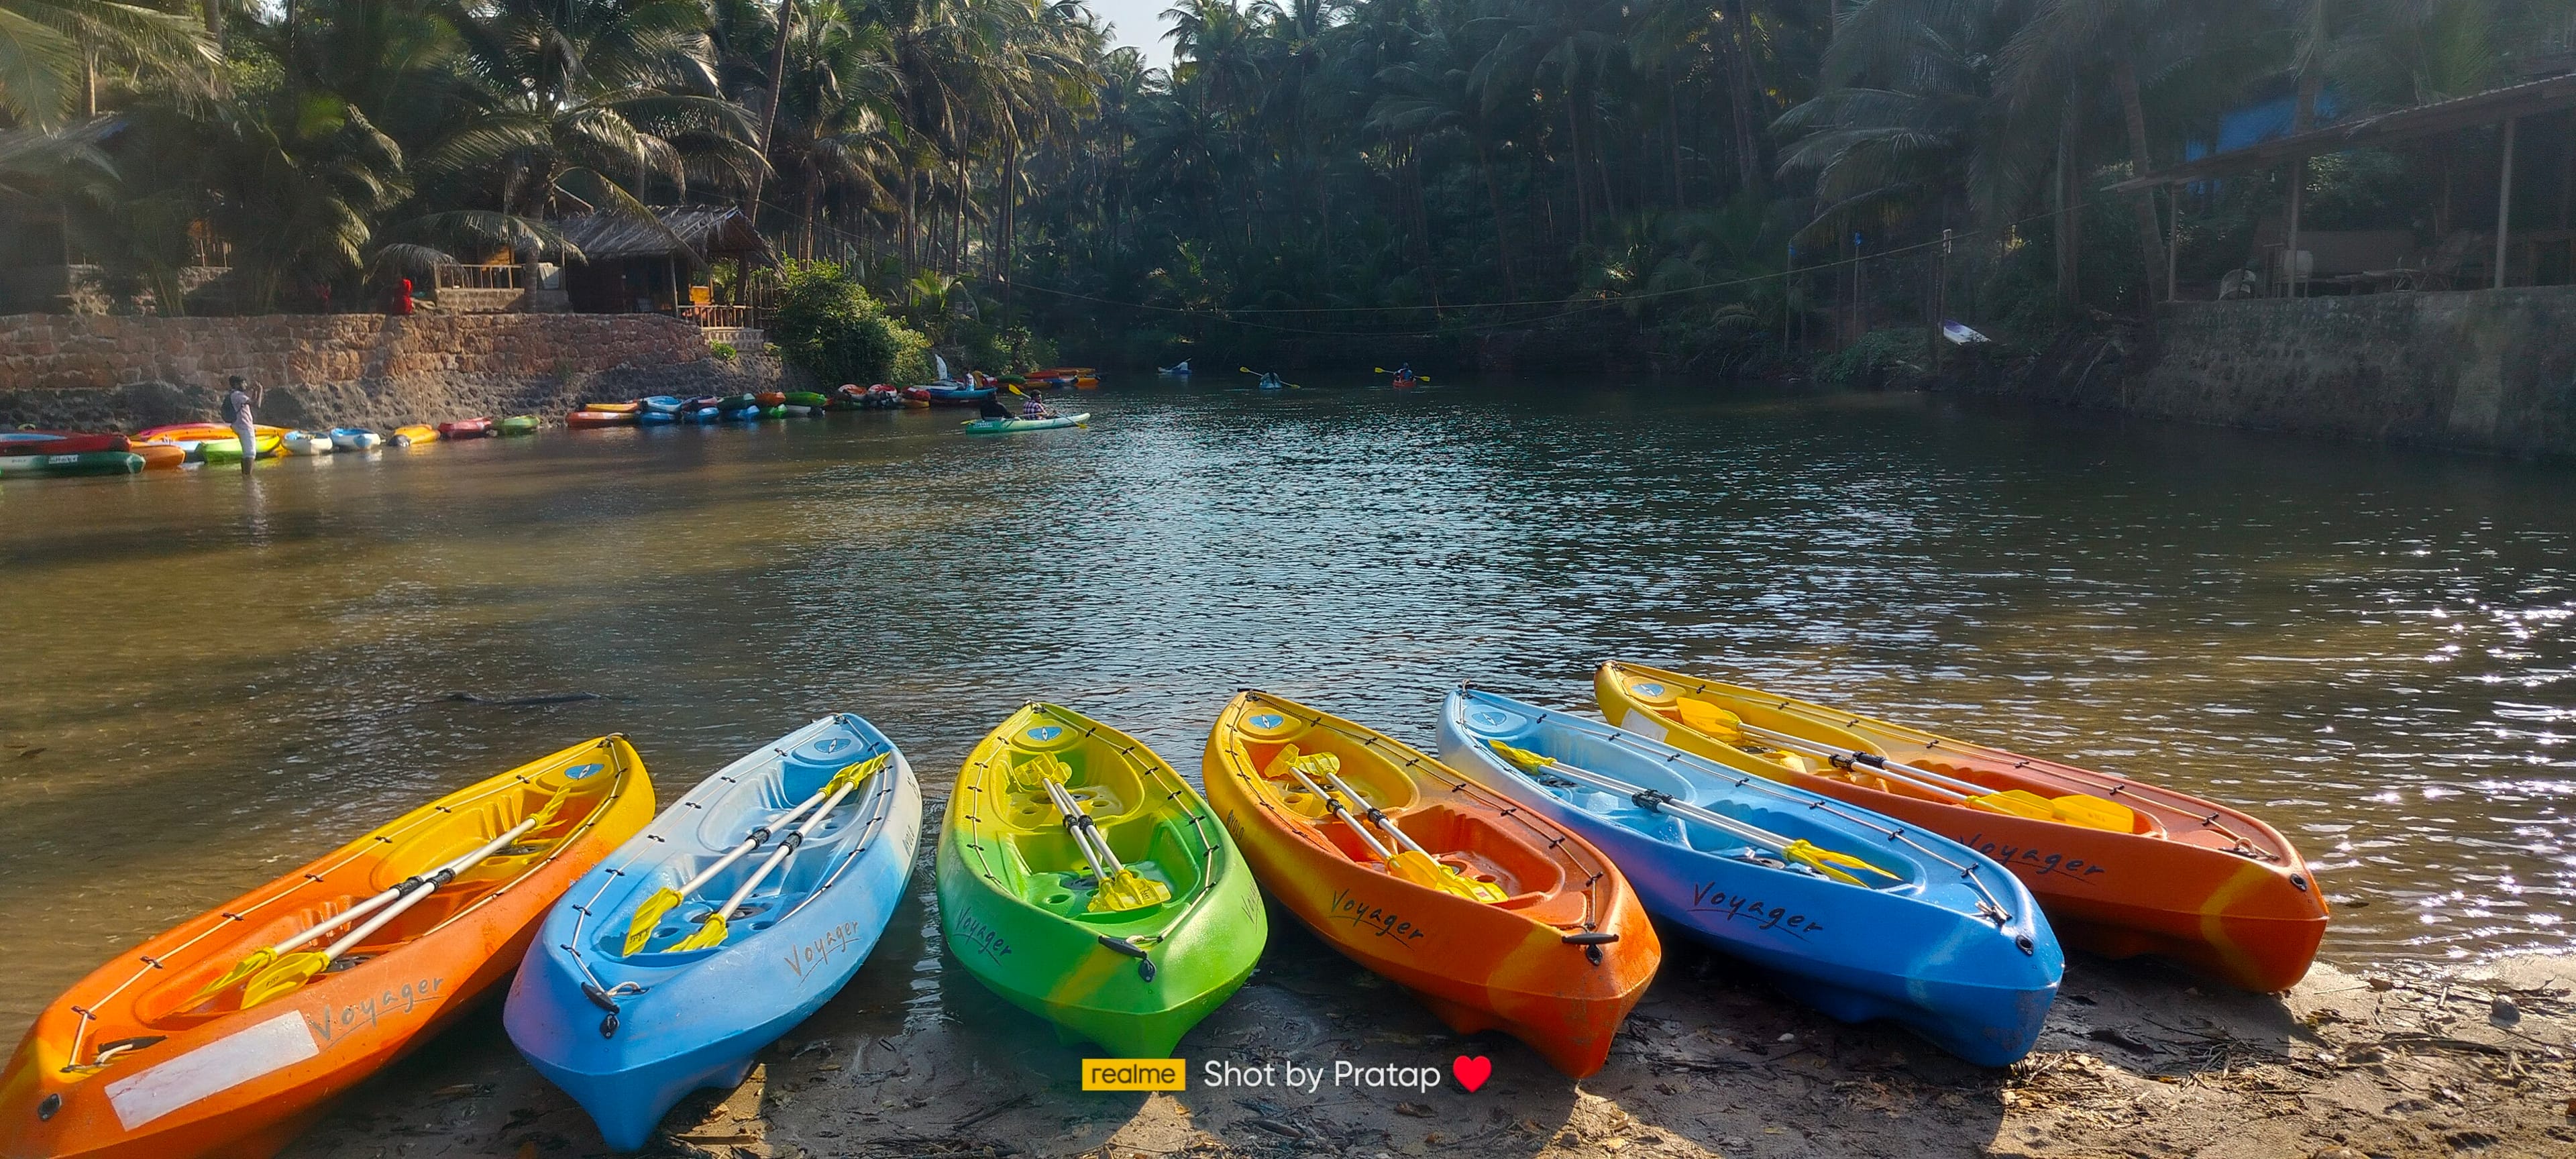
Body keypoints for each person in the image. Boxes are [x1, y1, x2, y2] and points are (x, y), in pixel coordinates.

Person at [221, 375, 262, 474]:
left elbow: (251, 402)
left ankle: (245, 476)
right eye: (244, 383)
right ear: (237, 385)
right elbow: (257, 405)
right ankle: (248, 477)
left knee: (246, 453)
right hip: (244, 426)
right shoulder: (238, 395)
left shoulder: (234, 395)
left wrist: (255, 391)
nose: (246, 385)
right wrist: (260, 390)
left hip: (238, 425)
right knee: (250, 453)